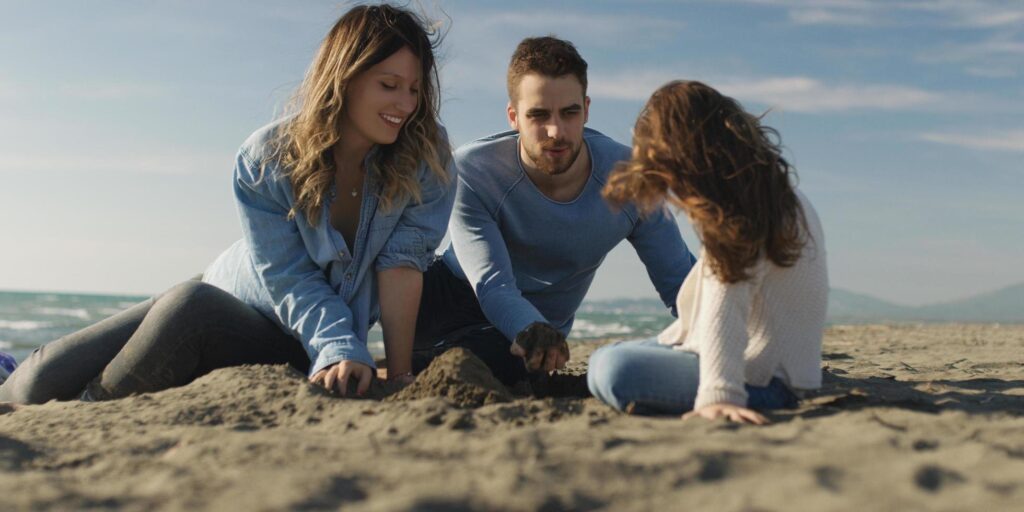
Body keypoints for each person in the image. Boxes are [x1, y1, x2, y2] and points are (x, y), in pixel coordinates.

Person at [0, 4, 454, 404]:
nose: (405, 104)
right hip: (236, 291)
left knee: (190, 306)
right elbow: (289, 276)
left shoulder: (425, 159)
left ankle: (91, 406)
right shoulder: (266, 158)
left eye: (414, 90)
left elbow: (402, 266)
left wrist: (398, 376)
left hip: (251, 327)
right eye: (390, 85)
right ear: (345, 79)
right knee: (35, 381)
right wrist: (340, 345)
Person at [410, 37, 696, 388]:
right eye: (539, 115)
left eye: (569, 113)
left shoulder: (632, 177)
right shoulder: (475, 170)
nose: (556, 132)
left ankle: (411, 367)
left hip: (530, 330)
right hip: (453, 297)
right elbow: (493, 284)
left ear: (587, 110)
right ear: (514, 116)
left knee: (501, 361)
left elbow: (681, 281)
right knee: (387, 273)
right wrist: (529, 328)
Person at [587, 81, 829, 424]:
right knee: (604, 358)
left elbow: (725, 301)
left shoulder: (746, 210)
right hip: (748, 361)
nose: (672, 189)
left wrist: (720, 395)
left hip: (766, 381)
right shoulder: (767, 191)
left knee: (613, 369)